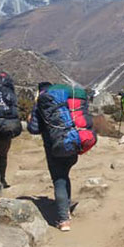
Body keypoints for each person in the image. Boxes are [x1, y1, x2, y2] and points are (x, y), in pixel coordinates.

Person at [28, 81, 78, 231]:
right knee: (65, 176)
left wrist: (30, 119)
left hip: (54, 148)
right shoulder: (64, 100)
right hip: (72, 144)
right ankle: (67, 208)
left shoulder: (41, 103)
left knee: (59, 180)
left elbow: (34, 129)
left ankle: (63, 220)